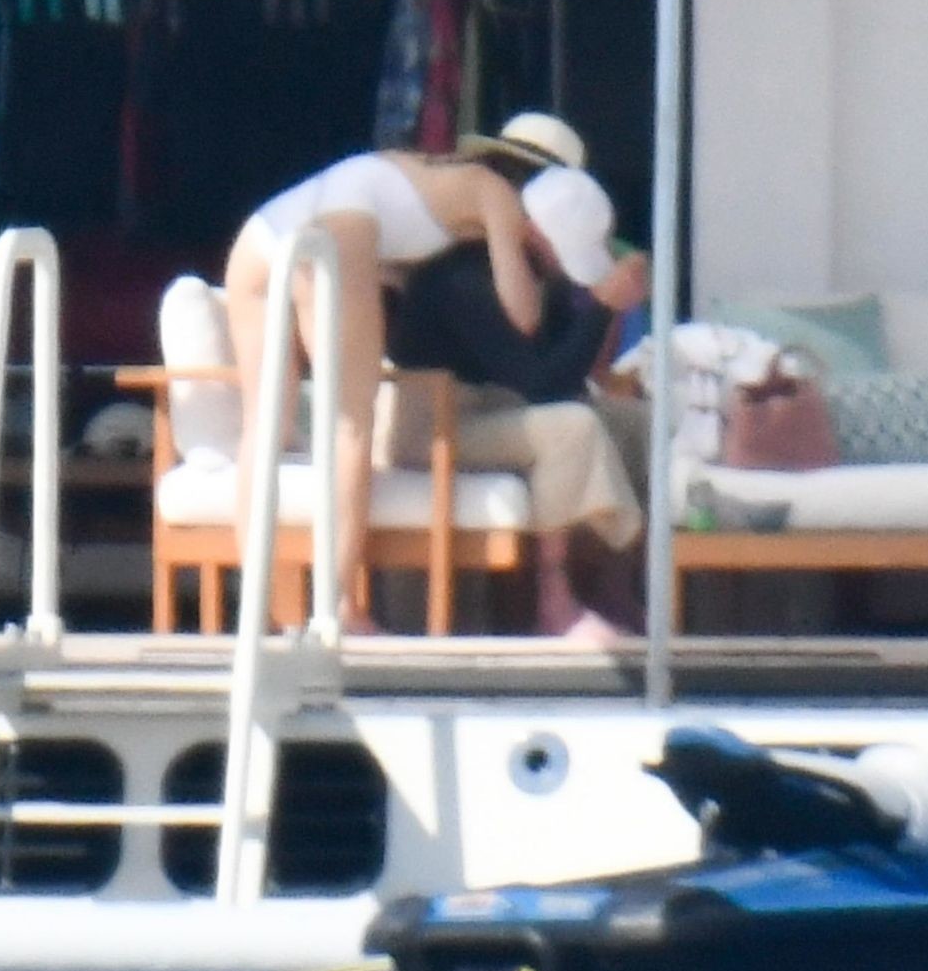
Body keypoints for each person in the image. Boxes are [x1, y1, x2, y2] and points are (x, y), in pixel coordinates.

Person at [219, 113, 588, 634]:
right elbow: (523, 315)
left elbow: (392, 262)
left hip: (264, 231)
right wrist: (530, 253)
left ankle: (257, 608)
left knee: (264, 426)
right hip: (338, 231)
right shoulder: (499, 198)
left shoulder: (428, 171)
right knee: (350, 427)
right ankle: (337, 608)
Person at [385, 165, 652, 642]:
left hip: (498, 408)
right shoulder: (464, 276)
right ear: (531, 232)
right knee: (571, 428)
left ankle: (616, 582)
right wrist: (602, 308)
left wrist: (603, 309)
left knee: (634, 423)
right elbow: (540, 384)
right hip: (439, 424)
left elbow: (564, 373)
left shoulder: (537, 280)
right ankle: (555, 600)